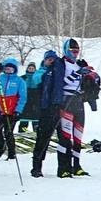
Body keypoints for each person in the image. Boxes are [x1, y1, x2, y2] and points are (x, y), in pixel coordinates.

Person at [55, 38, 92, 177]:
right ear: (66, 50)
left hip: (78, 100)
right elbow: (62, 83)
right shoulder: (61, 64)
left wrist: (89, 76)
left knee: (78, 136)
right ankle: (63, 167)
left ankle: (76, 165)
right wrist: (78, 73)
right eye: (72, 51)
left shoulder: (77, 64)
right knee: (65, 136)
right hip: (66, 100)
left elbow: (83, 82)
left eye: (77, 51)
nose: (75, 53)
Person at [30, 50, 63, 178]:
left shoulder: (57, 71)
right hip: (45, 109)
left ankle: (64, 166)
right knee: (43, 138)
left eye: (53, 59)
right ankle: (36, 167)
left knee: (63, 138)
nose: (51, 61)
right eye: (48, 59)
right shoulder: (42, 72)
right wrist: (48, 71)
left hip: (58, 107)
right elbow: (37, 80)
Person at [0, 58, 28, 160]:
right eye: (7, 68)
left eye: (11, 68)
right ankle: (1, 146)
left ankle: (11, 153)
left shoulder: (19, 81)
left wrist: (18, 110)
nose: (8, 70)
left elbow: (23, 97)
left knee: (8, 132)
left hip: (11, 111)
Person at [17, 61, 40, 133]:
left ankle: (36, 134)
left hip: (35, 103)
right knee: (24, 121)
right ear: (27, 69)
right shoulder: (22, 78)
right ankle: (23, 133)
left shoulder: (37, 78)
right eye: (30, 68)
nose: (31, 69)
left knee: (36, 122)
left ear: (35, 69)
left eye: (33, 68)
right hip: (25, 102)